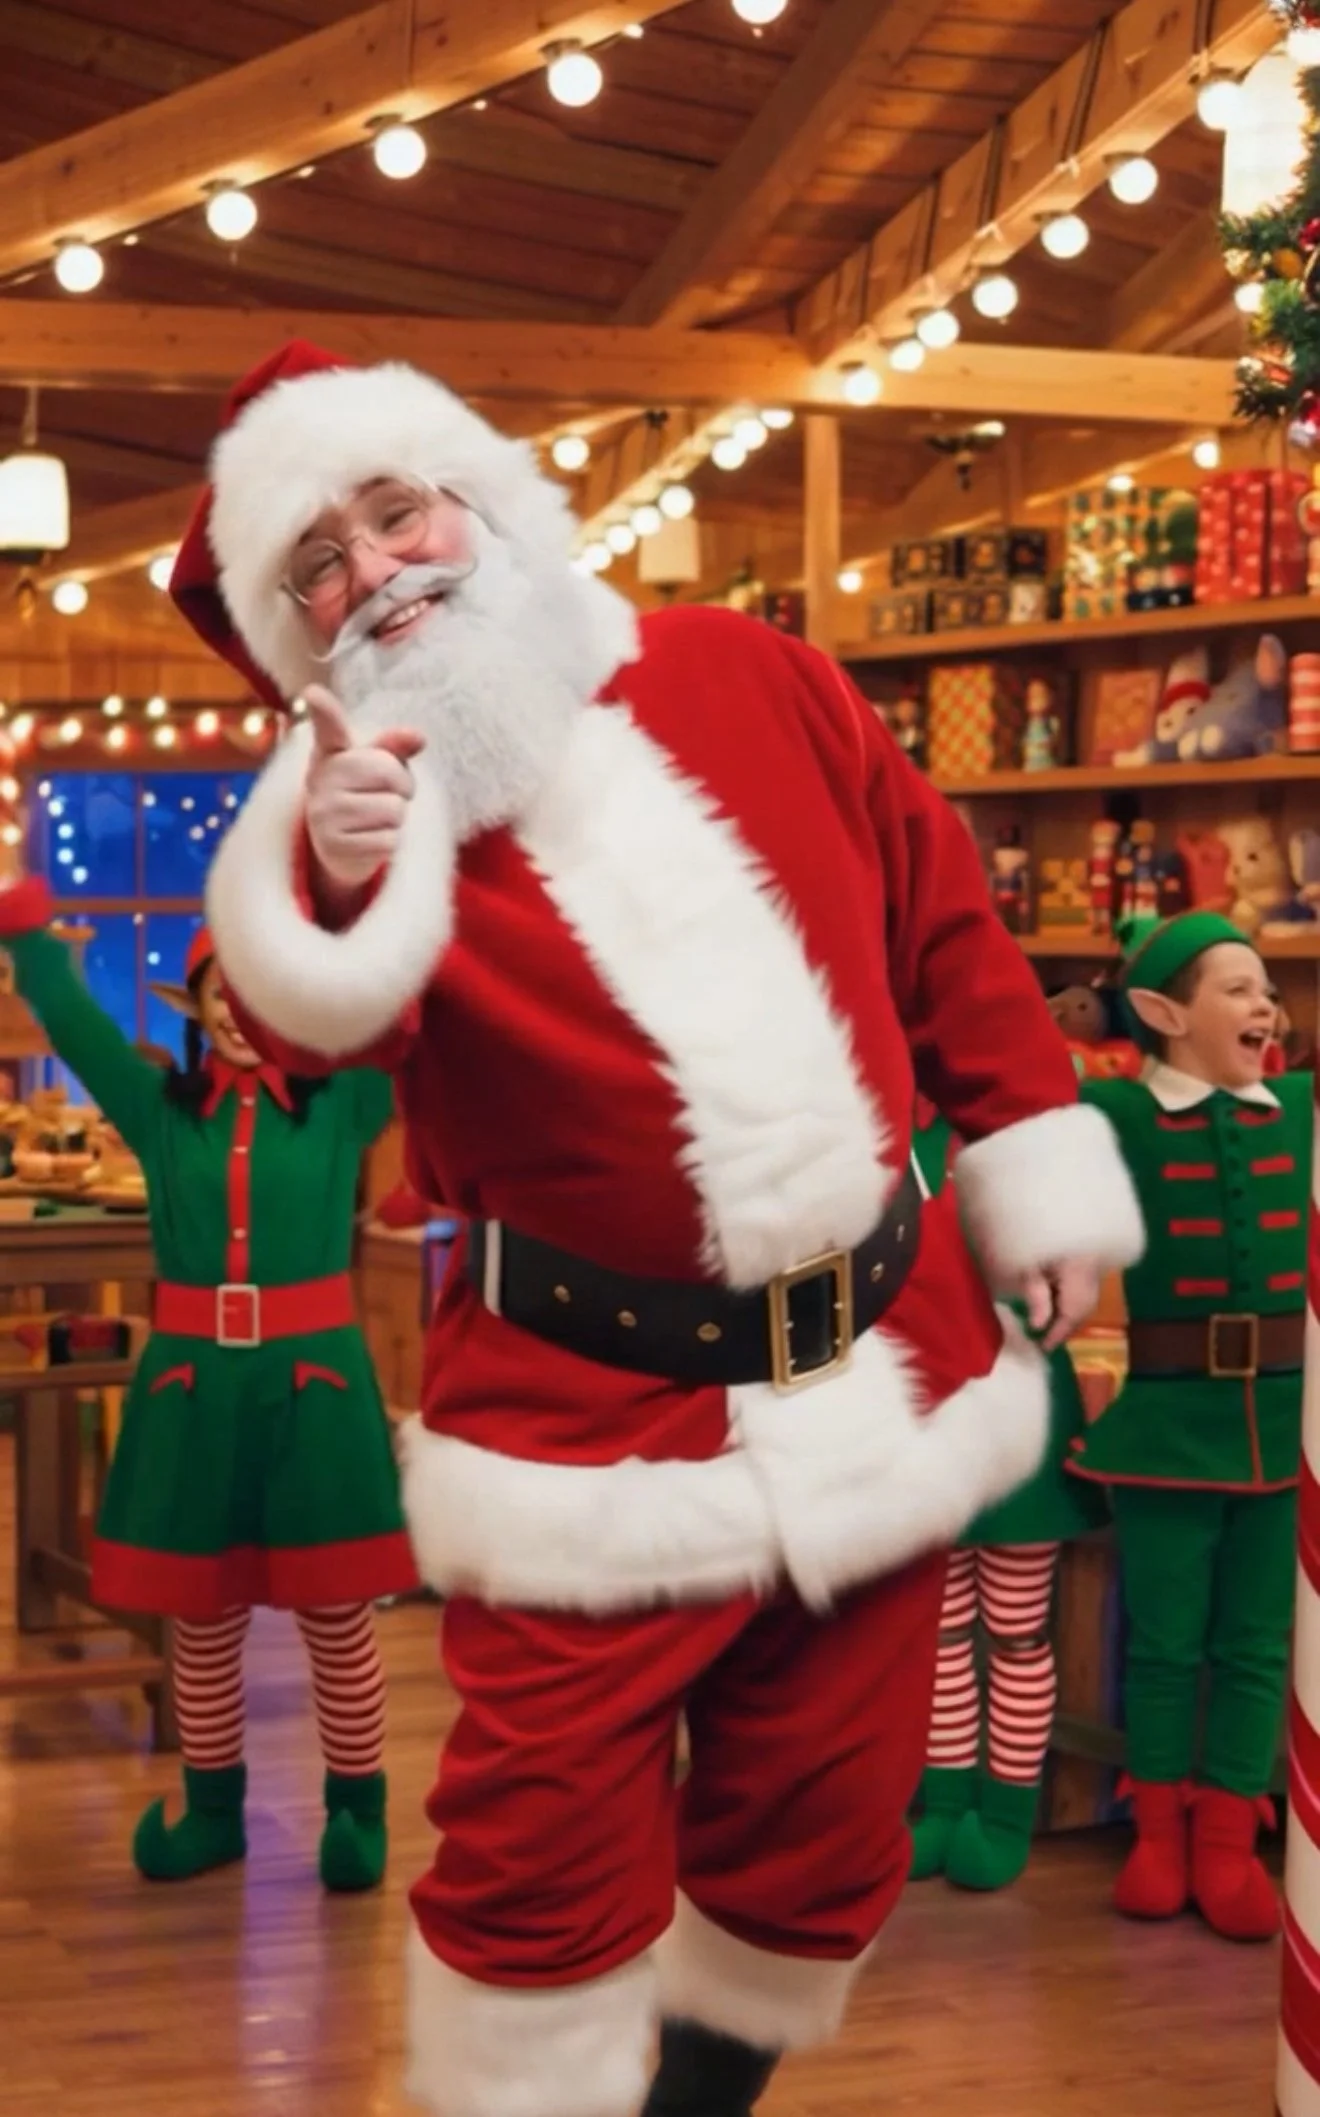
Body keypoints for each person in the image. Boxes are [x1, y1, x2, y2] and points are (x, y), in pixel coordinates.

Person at [168, 337, 1143, 2117]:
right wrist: (322, 864)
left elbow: (938, 909)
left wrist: (1031, 1145)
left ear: (484, 504)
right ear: (297, 631)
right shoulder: (358, 812)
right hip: (584, 1422)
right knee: (534, 1870)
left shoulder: (744, 666)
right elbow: (293, 1028)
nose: (378, 572)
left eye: (398, 514)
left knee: (819, 1851)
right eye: (320, 565)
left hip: (881, 1357)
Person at [0, 892, 416, 1889]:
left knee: (336, 1612)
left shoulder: (345, 1100)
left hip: (312, 1386)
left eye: (258, 991)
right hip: (194, 1389)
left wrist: (367, 912)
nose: (236, 1009)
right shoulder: (161, 1111)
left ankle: (358, 1811)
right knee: (202, 1614)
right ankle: (214, 1809)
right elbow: (81, 1030)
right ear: (194, 1005)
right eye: (216, 992)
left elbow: (409, 1015)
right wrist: (26, 936)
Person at [1069, 911, 1309, 1941]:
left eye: (1267, 988)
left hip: (1281, 1420)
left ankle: (1223, 1839)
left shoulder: (1299, 1106)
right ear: (1167, 1012)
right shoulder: (1116, 1111)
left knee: (1258, 1643)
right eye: (1239, 987)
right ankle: (1157, 1829)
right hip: (1166, 1420)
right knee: (1164, 1642)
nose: (1266, 1004)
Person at [907, 1101, 1108, 1891]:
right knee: (941, 1626)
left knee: (1018, 1628)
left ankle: (1004, 1810)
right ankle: (944, 1802)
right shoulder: (883, 1130)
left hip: (1021, 1391)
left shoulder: (1026, 1133)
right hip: (920, 1407)